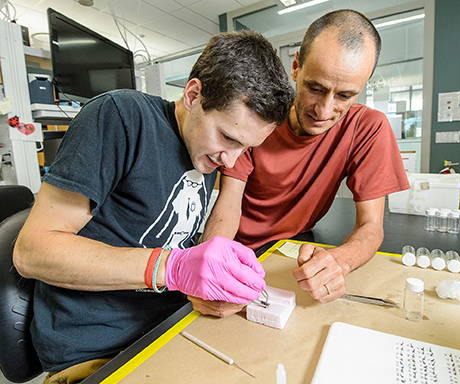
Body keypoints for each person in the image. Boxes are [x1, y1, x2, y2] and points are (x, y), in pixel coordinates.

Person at [13, 31, 294, 382]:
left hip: (170, 327)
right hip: (100, 350)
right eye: (228, 138)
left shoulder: (204, 149)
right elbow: (32, 252)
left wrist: (205, 282)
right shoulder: (121, 117)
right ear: (193, 95)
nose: (231, 159)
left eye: (246, 148)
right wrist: (171, 267)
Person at [199, 10, 409, 316]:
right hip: (237, 249)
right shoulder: (260, 117)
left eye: (345, 95)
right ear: (296, 67)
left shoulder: (369, 127)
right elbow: (228, 206)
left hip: (289, 249)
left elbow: (371, 227)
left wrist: (339, 262)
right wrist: (211, 264)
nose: (324, 110)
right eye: (316, 88)